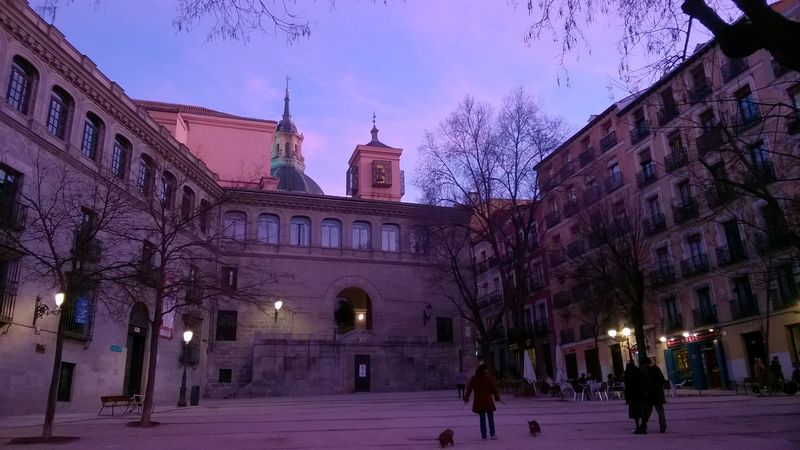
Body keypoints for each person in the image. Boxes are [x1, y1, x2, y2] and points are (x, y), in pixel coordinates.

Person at [464, 364, 500, 440]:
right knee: (490, 418)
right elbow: (494, 388)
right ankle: (492, 434)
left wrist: (466, 398)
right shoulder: (488, 378)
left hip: (479, 401)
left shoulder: (474, 378)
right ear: (484, 370)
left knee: (482, 419)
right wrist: (496, 397)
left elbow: (469, 389)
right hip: (488, 401)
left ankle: (484, 435)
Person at [640, 358, 667, 434]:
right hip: (658, 394)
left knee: (647, 412)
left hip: (650, 395)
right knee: (660, 412)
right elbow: (662, 380)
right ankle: (663, 427)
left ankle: (643, 425)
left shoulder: (645, 371)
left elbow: (644, 383)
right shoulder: (656, 369)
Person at [624, 360, 647, 434]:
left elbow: (627, 386)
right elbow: (645, 381)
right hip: (640, 395)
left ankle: (638, 426)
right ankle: (643, 426)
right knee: (641, 411)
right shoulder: (639, 372)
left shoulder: (628, 373)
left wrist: (627, 398)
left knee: (635, 413)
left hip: (632, 396)